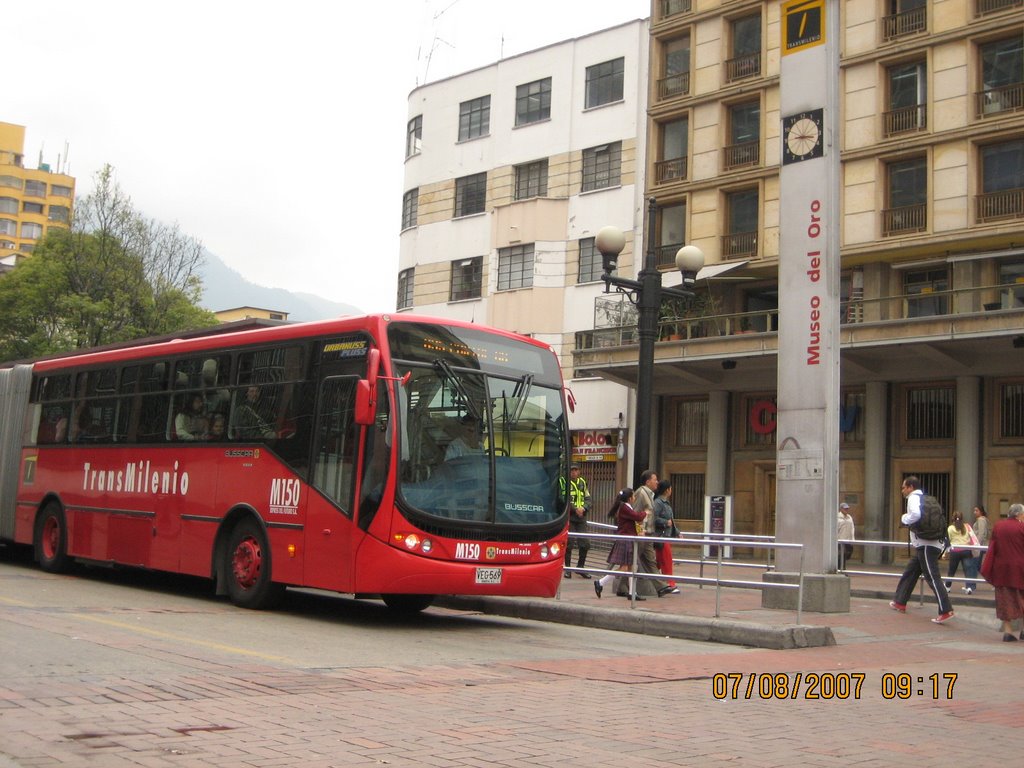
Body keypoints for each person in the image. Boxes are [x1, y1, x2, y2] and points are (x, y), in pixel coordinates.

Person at [890, 476, 955, 623]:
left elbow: (916, 515)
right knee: (910, 572)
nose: (902, 490)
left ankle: (946, 610)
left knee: (933, 577)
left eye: (903, 487)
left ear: (911, 487)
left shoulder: (913, 498)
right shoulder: (927, 498)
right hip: (929, 544)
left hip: (926, 545)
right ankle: (900, 602)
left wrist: (904, 518)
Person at [614, 469, 674, 598]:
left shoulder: (651, 494)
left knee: (648, 560)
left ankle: (660, 586)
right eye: (655, 479)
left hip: (648, 534)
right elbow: (634, 513)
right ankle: (620, 586)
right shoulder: (641, 493)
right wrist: (640, 530)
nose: (657, 482)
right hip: (641, 534)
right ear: (648, 481)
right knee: (632, 561)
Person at [979, 503, 1024, 642]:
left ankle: (1008, 631)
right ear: (1018, 515)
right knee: (1021, 599)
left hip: (1001, 570)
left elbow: (994, 546)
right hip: (1020, 569)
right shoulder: (1022, 527)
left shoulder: (999, 526)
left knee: (1004, 600)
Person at [594, 488, 647, 599]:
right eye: (633, 496)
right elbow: (637, 517)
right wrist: (645, 512)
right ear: (630, 498)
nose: (634, 498)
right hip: (625, 540)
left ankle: (632, 593)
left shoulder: (626, 507)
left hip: (628, 539)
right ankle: (600, 582)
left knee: (632, 567)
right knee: (624, 568)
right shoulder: (625, 508)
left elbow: (634, 519)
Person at [562, 465, 592, 579]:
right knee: (569, 543)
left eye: (575, 470)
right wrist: (575, 509)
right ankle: (568, 569)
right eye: (572, 470)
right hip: (570, 517)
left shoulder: (583, 482)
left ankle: (580, 567)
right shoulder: (564, 482)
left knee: (585, 544)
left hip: (581, 517)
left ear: (579, 471)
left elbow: (588, 499)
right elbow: (564, 499)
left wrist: (584, 508)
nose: (573, 472)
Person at [652, 480, 678, 589]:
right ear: (667, 490)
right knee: (666, 560)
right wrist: (664, 522)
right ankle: (669, 584)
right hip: (661, 536)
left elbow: (671, 520)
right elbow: (653, 518)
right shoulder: (658, 503)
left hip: (665, 535)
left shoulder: (665, 503)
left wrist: (677, 532)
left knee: (659, 561)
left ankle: (658, 581)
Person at [944, 511, 978, 594]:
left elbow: (948, 540)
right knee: (968, 570)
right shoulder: (967, 527)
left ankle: (948, 587)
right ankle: (969, 587)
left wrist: (945, 553)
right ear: (962, 518)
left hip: (955, 551)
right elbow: (971, 538)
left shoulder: (950, 528)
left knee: (951, 570)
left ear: (953, 519)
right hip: (966, 550)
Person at [971, 505, 991, 580]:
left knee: (975, 565)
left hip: (980, 545)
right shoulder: (982, 519)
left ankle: (971, 584)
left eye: (977, 511)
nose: (975, 512)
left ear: (981, 511)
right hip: (981, 545)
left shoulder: (981, 520)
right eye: (974, 511)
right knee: (978, 565)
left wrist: (977, 544)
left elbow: (981, 533)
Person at [837, 502, 855, 569]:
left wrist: (853, 539)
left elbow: (852, 528)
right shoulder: (837, 517)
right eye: (845, 509)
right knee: (841, 555)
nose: (846, 510)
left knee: (848, 554)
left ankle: (842, 568)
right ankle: (841, 569)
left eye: (847, 509)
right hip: (840, 540)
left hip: (848, 540)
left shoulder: (849, 517)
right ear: (841, 509)